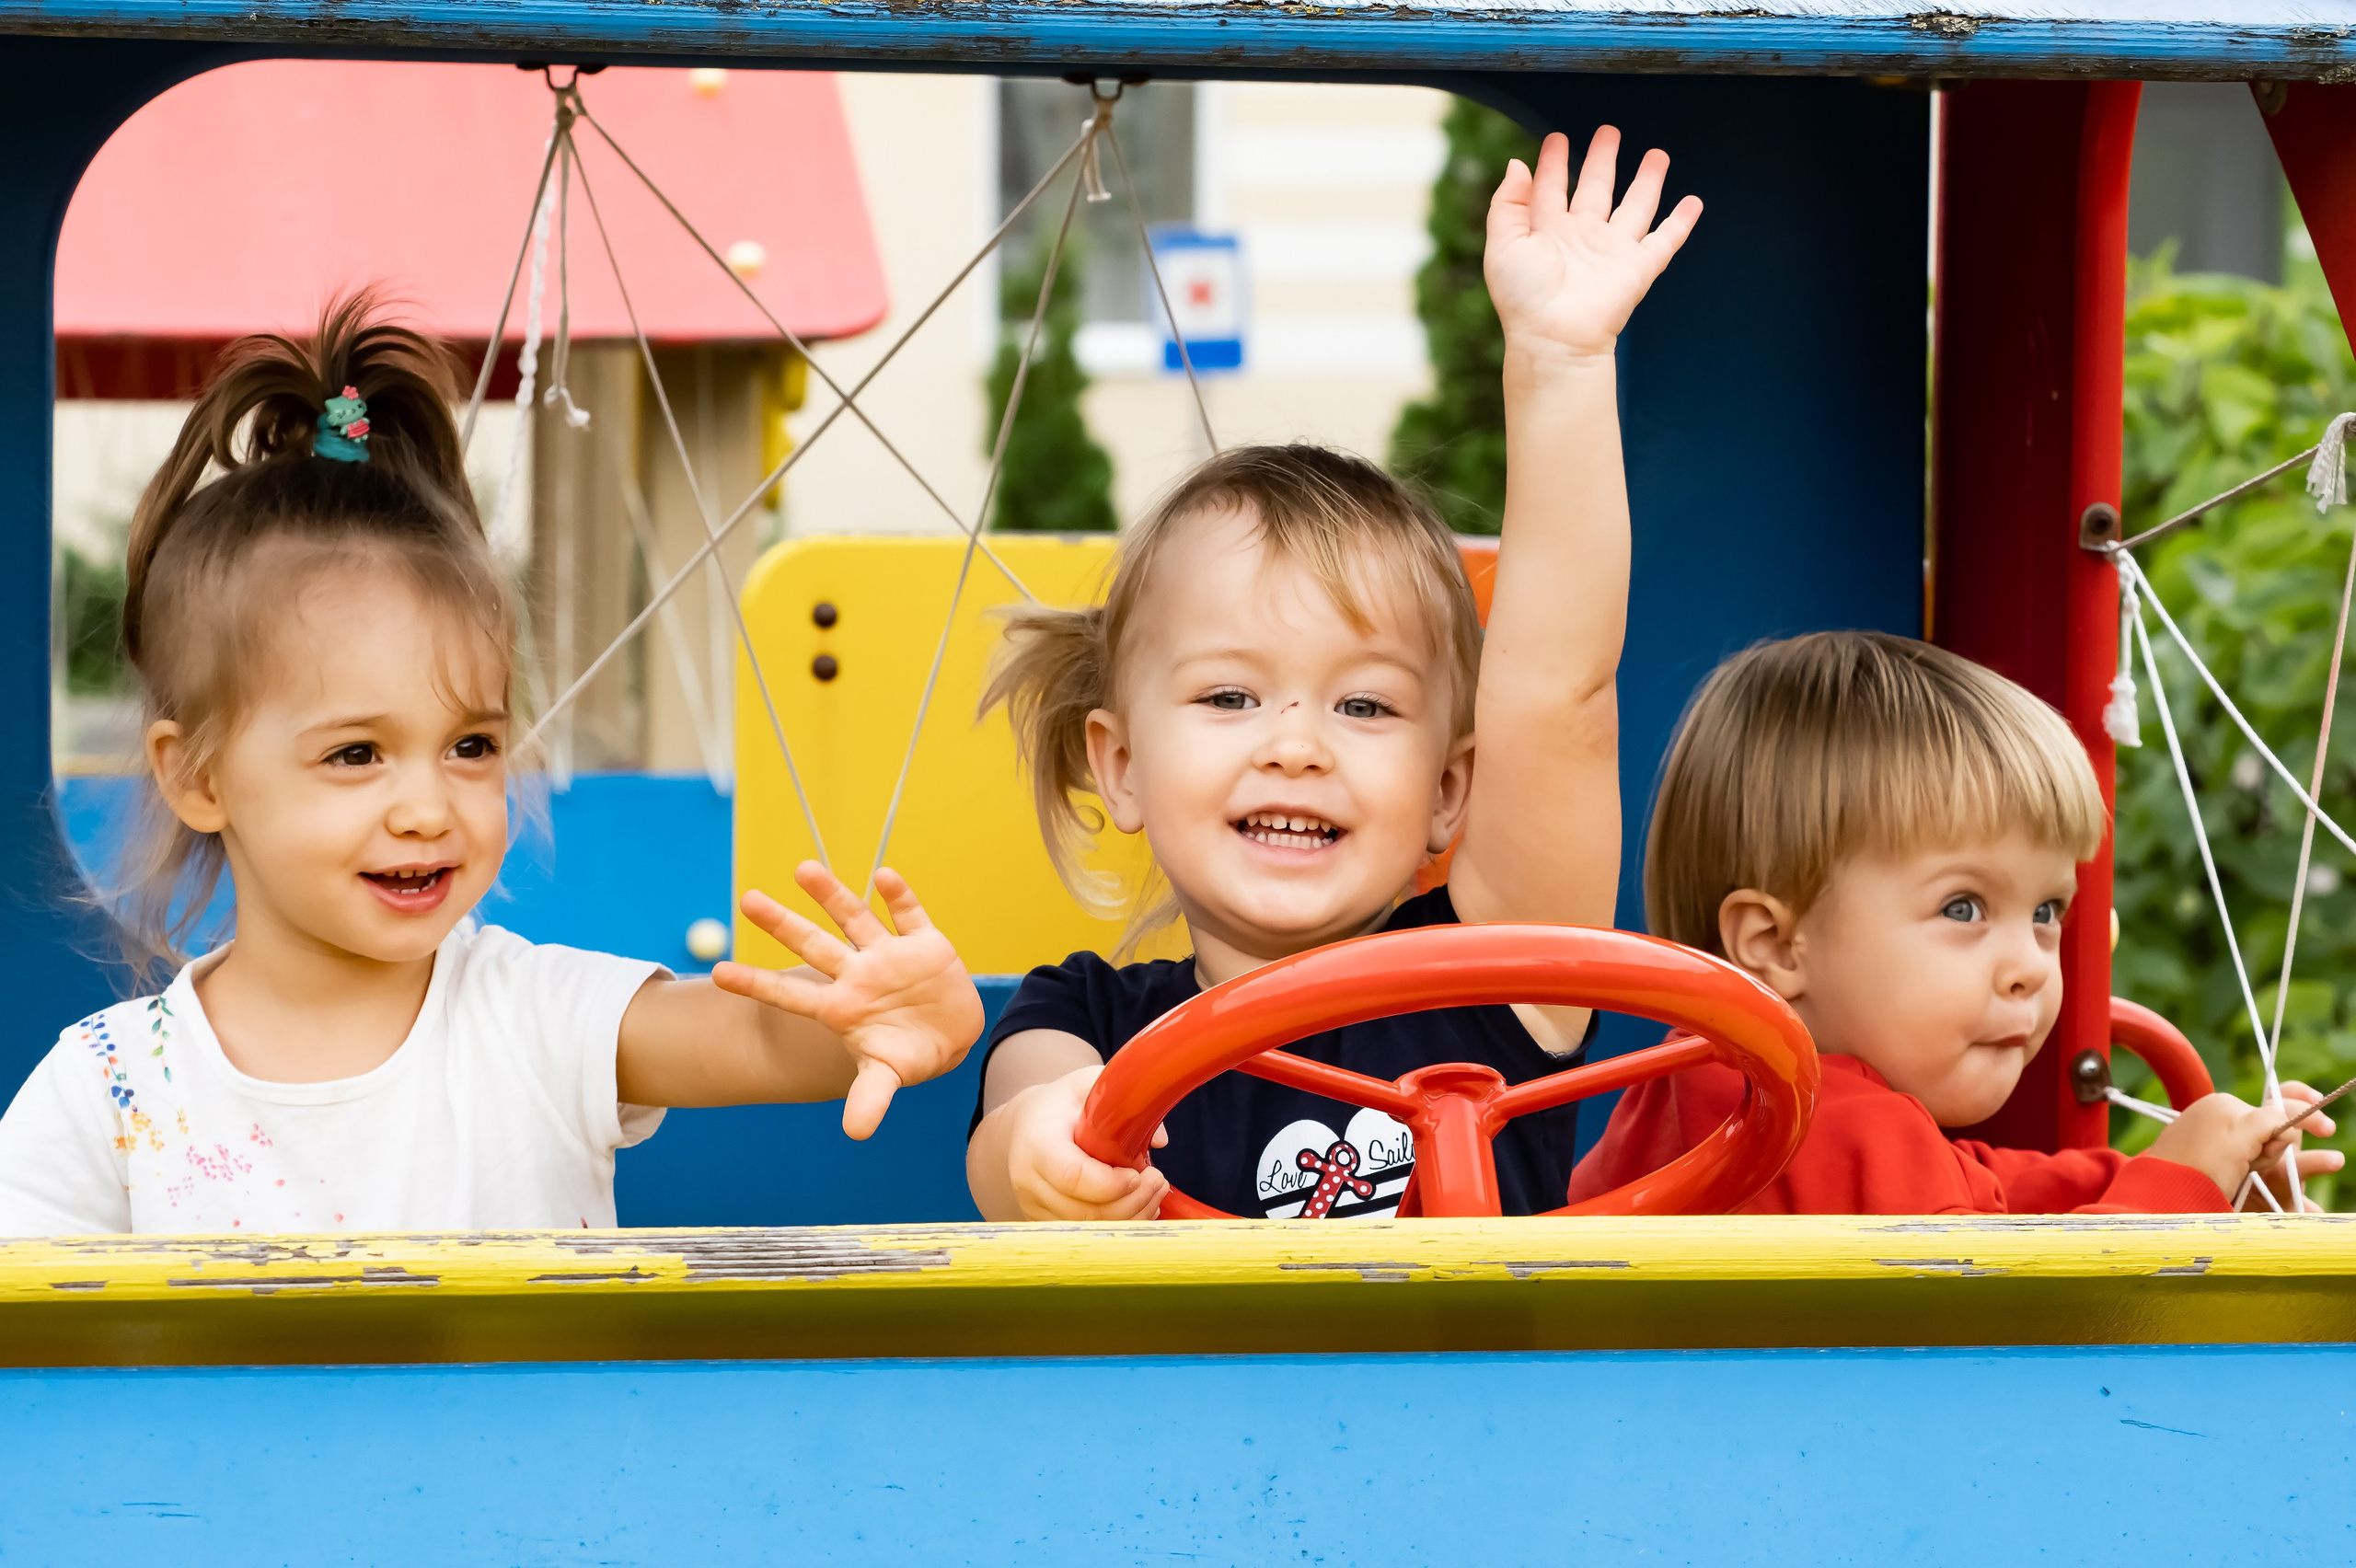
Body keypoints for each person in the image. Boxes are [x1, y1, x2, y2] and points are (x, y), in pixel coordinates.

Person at [0, 296, 981, 1235]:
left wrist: (873, 1018)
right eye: (356, 754)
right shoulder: (109, 1095)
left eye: (470, 746)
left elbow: (758, 1040)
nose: (429, 808)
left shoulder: (536, 1021)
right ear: (199, 780)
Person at [965, 127, 1700, 1220]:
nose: (1295, 744)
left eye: (1363, 705)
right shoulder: (1085, 1017)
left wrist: (1559, 365)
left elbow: (1557, 699)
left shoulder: (1494, 980)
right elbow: (1014, 1137)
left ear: (1452, 790)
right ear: (1119, 765)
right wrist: (1045, 1151)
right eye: (1228, 697)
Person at [1567, 629, 2340, 1215]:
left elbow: (1993, 1189)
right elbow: (2035, 1326)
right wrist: (2183, 1185)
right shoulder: (1806, 1121)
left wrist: (2187, 1171)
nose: (2032, 965)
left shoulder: (1730, 1091)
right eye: (1963, 908)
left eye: (2045, 913)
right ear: (1774, 943)